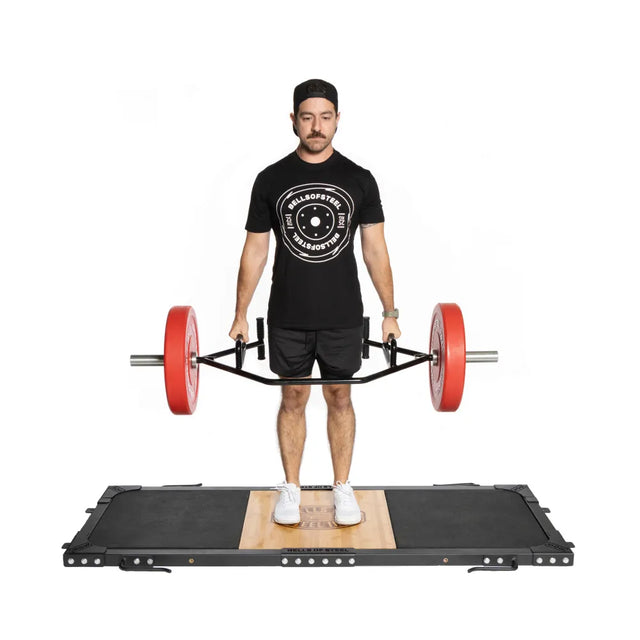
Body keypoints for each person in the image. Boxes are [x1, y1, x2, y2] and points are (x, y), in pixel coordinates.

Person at [229, 79, 400, 526]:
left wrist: (390, 314)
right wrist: (240, 315)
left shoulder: (359, 179)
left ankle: (343, 488)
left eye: (325, 117)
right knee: (292, 397)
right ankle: (292, 488)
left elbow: (375, 249)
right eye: (307, 117)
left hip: (343, 313)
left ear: (338, 120)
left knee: (341, 397)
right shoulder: (270, 180)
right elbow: (255, 250)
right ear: (293, 121)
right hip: (288, 312)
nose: (316, 126)